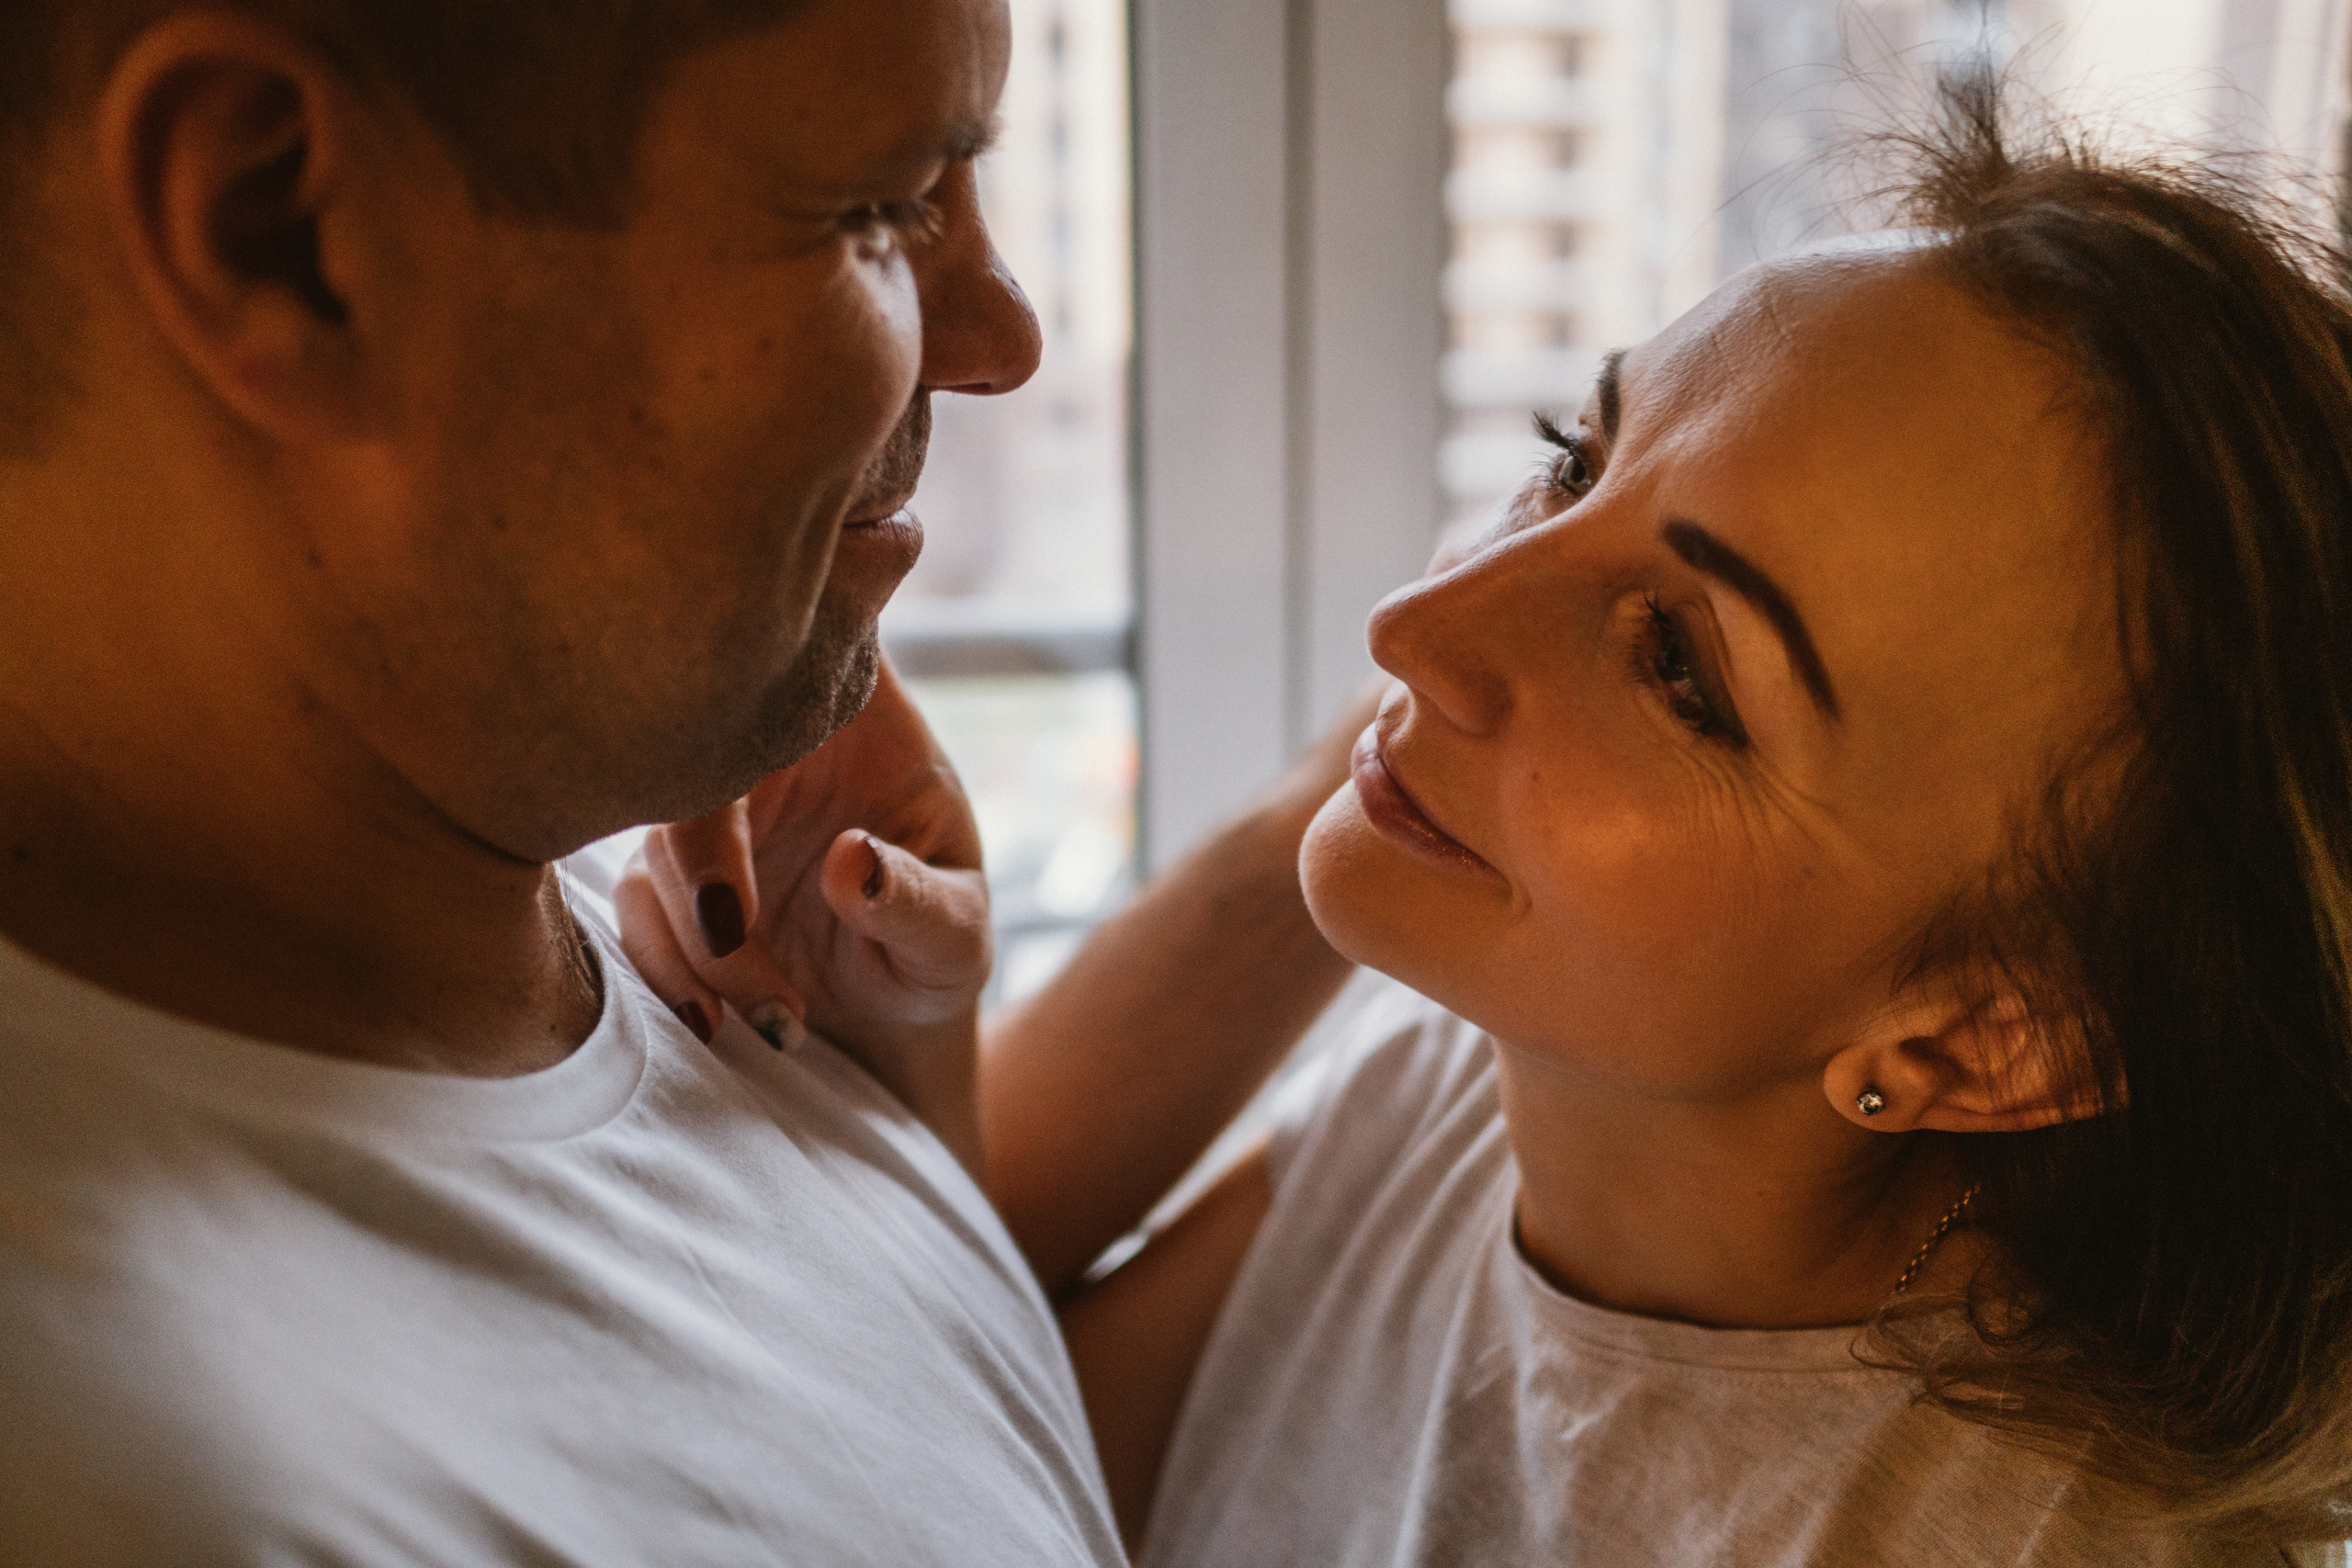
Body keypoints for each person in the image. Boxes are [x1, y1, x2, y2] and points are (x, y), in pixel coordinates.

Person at [639, 85, 2352, 1564]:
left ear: (1990, 1033)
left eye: (1682, 668)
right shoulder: (1505, 1101)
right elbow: (992, 1471)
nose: (1412, 622)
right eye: (1572, 455)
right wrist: (908, 1040)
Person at [0, 1, 1354, 1560]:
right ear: (289, 235)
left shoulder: (576, 869)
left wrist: (902, 1115)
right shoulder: (144, 1492)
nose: (999, 340)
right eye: (882, 208)